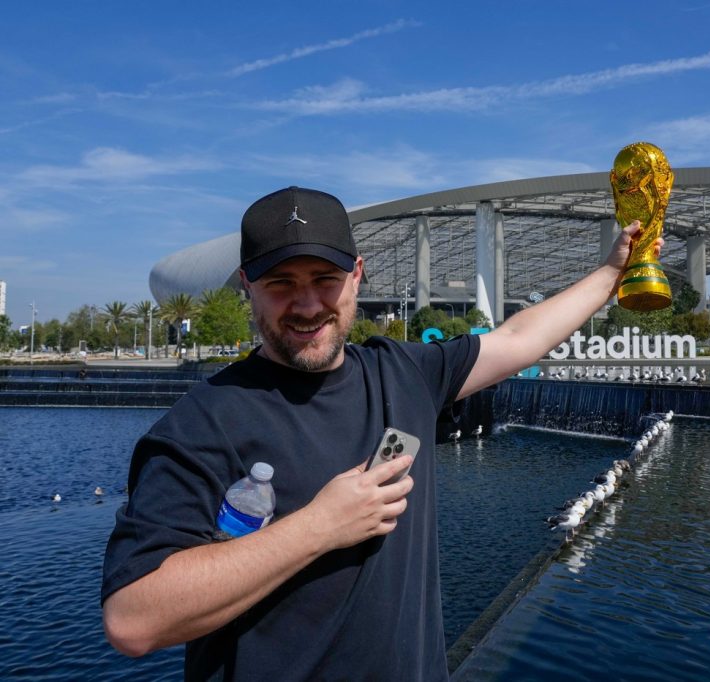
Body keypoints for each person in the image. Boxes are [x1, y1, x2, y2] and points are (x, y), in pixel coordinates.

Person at [101, 185, 654, 681]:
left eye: (325, 280)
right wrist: (318, 527)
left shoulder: (404, 372)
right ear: (248, 285)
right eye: (280, 284)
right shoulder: (203, 422)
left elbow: (516, 339)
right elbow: (133, 619)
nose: (307, 305)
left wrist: (611, 274)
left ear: (357, 275)